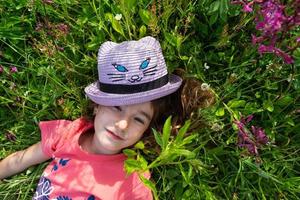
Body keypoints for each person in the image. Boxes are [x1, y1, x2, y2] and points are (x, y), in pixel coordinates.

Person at [0, 36, 215, 199]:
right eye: (116, 107)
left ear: (147, 128)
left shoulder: (135, 177)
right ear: (97, 106)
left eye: (139, 119)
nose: (123, 124)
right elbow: (20, 159)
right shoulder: (67, 133)